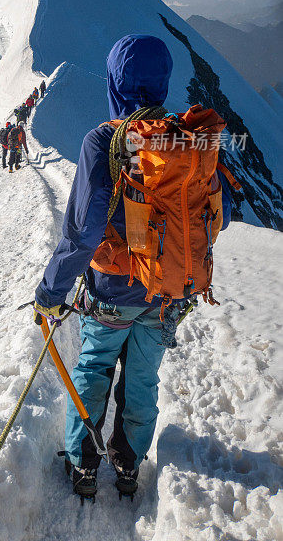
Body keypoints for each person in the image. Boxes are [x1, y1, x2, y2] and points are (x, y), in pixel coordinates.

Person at [32, 34, 233, 502]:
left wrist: (50, 291)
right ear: (162, 83)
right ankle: (128, 462)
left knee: (95, 366)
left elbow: (82, 233)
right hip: (166, 293)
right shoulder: (182, 142)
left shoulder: (105, 141)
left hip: (111, 294)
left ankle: (84, 462)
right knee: (142, 378)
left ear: (115, 82)